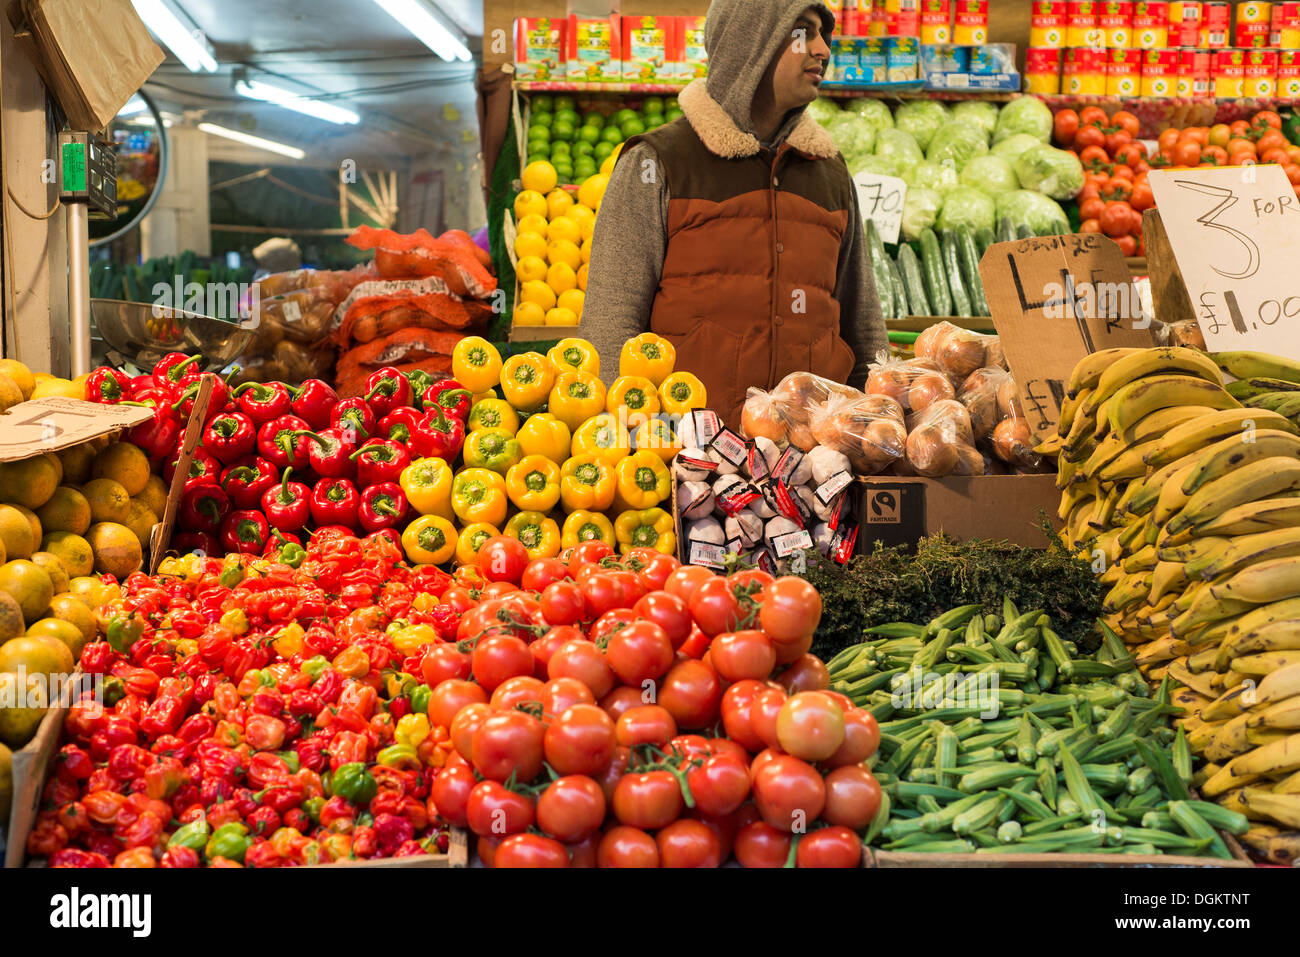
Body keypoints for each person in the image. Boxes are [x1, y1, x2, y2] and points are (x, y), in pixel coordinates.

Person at [583, 0, 887, 426]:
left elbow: (863, 323)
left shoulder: (829, 172)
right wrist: (633, 444)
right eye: (803, 32)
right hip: (689, 462)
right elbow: (610, 322)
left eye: (823, 35)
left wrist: (871, 430)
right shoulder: (657, 162)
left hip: (813, 465)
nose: (822, 49)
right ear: (752, 44)